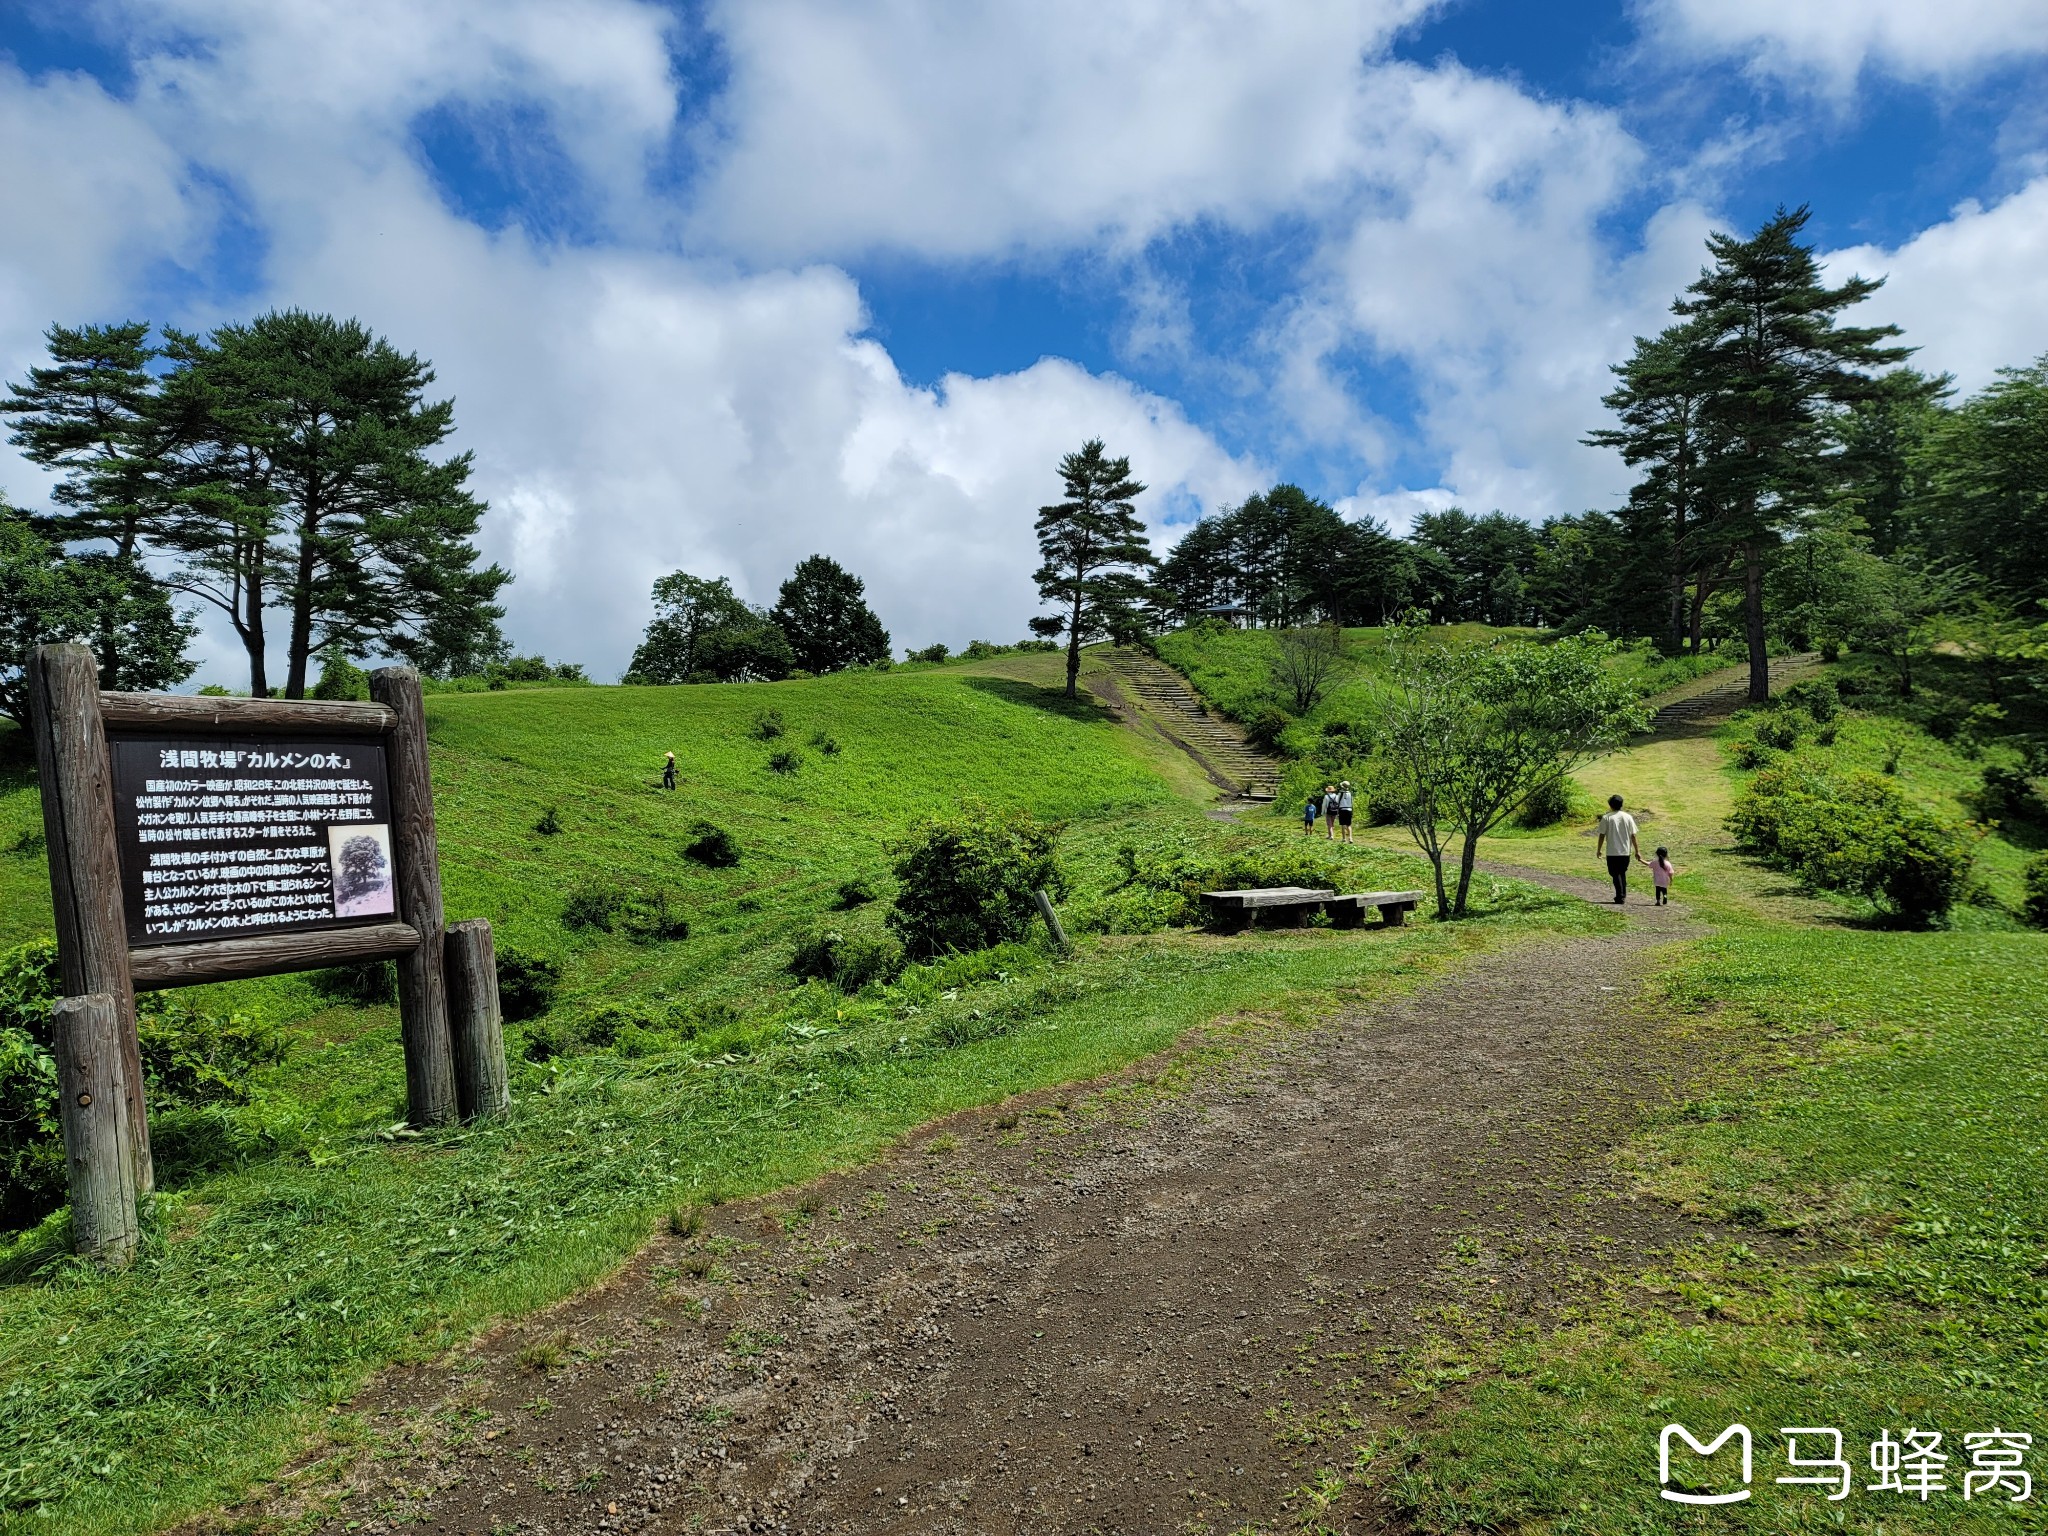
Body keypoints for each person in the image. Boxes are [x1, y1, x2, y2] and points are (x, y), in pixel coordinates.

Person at [1594, 793, 1640, 903]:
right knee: (1622, 872)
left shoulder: (1607, 818)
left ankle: (1620, 896)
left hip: (1612, 851)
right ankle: (1623, 894)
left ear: (1610, 805)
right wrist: (1637, 851)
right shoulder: (1628, 817)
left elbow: (1601, 835)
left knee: (1615, 873)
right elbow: (1633, 835)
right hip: (1625, 851)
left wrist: (1599, 849)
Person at [1336, 779, 1355, 845]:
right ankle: (1350, 838)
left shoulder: (1340, 794)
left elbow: (1337, 802)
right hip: (1349, 809)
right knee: (1349, 825)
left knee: (1343, 825)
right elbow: (1352, 803)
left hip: (1342, 810)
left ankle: (1344, 838)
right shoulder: (1350, 794)